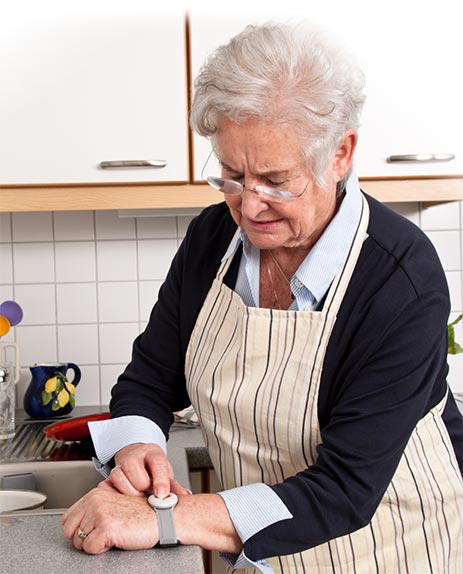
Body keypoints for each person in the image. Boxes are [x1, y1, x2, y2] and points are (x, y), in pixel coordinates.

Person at [61, 21, 463, 573]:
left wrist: (163, 519)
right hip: (263, 557)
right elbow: (149, 380)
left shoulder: (400, 277)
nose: (249, 208)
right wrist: (137, 453)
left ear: (340, 154)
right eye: (231, 175)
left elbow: (346, 487)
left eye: (275, 181)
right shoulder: (212, 240)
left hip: (393, 550)